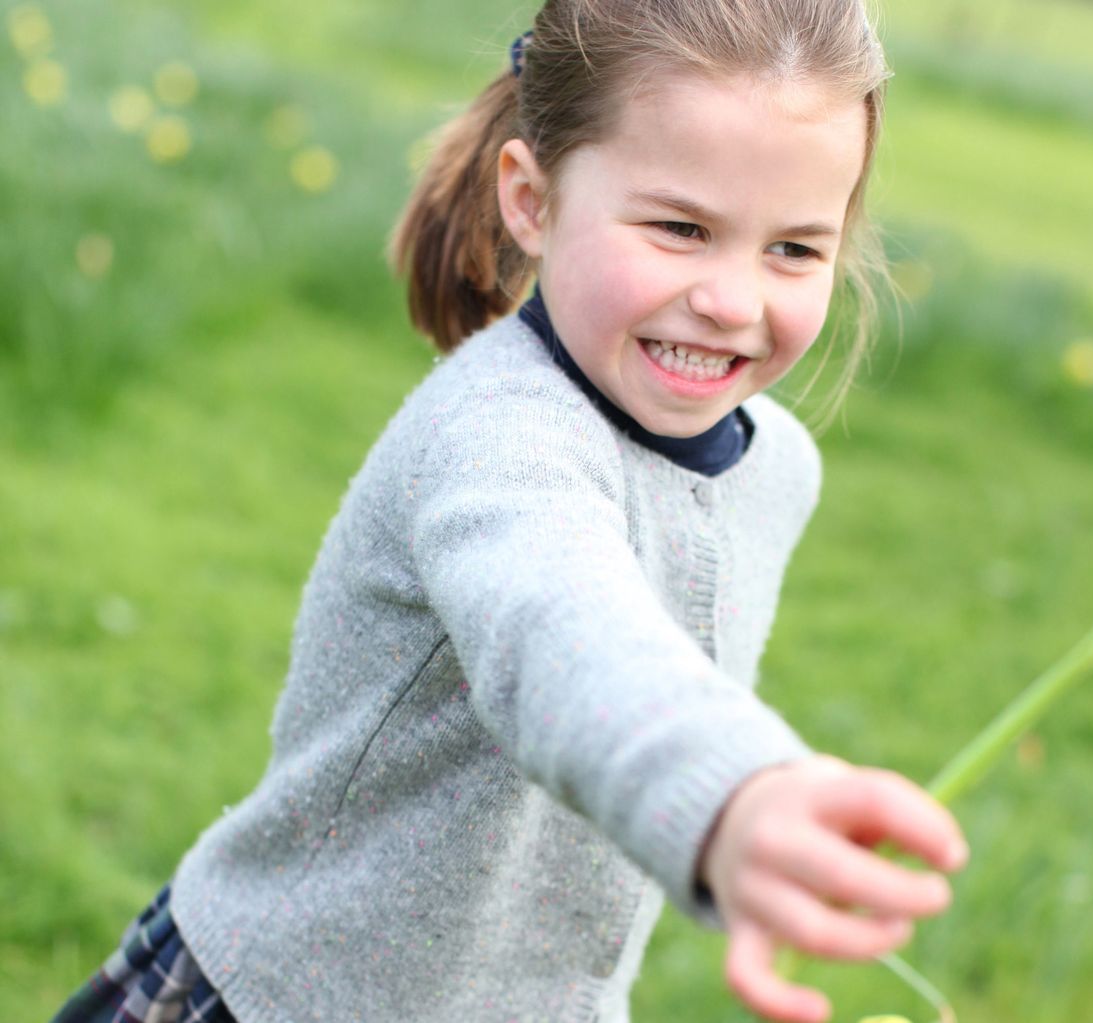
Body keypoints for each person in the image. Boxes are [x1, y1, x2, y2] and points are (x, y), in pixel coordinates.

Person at [53, 1, 968, 1021]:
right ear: (532, 200)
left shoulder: (775, 468)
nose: (732, 299)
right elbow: (565, 638)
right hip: (291, 997)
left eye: (794, 249)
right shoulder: (496, 437)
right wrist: (732, 798)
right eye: (679, 228)